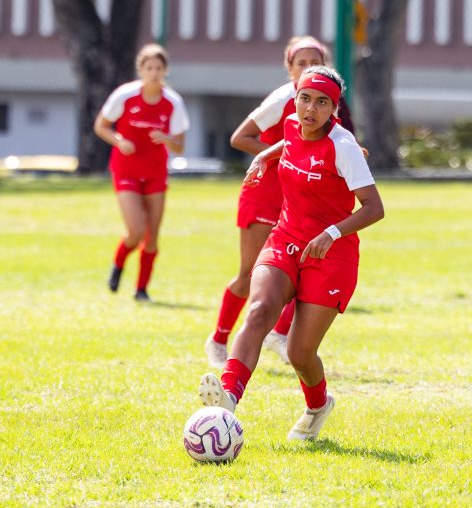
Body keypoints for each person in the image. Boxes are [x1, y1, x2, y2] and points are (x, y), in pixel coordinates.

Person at [198, 65, 383, 442]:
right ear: (294, 99)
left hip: (332, 254)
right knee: (260, 309)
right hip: (286, 238)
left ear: (334, 108)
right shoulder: (290, 127)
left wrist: (332, 233)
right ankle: (228, 399)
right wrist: (264, 156)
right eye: (304, 99)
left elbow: (374, 208)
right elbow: (291, 141)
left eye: (321, 102)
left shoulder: (343, 146)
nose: (310, 109)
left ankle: (318, 405)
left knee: (300, 354)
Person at [203, 36, 329, 368]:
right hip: (263, 193)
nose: (307, 68)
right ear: (289, 68)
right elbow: (239, 138)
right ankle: (218, 339)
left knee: (301, 273)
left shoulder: (324, 102)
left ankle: (279, 333)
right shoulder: (284, 98)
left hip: (296, 199)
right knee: (249, 274)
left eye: (314, 62)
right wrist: (282, 156)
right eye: (300, 63)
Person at [93, 43, 189, 302]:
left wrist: (166, 138)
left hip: (156, 173)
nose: (154, 73)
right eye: (149, 68)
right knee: (136, 230)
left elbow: (180, 147)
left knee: (153, 235)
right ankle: (119, 264)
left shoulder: (173, 102)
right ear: (141, 70)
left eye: (159, 68)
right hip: (126, 170)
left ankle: (142, 289)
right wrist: (119, 141)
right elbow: (101, 126)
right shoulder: (125, 95)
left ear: (165, 71)